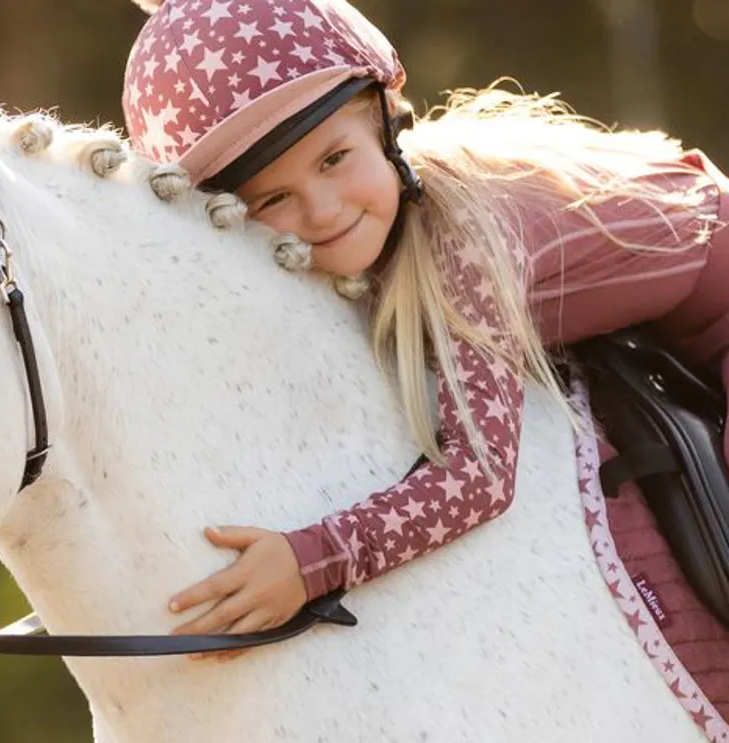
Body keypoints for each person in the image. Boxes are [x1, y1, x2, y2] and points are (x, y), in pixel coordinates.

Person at [122, 0, 729, 645]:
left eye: (333, 160)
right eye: (274, 198)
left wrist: (314, 560)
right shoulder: (376, 232)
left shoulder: (462, 240)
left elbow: (482, 476)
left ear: (387, 130)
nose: (323, 211)